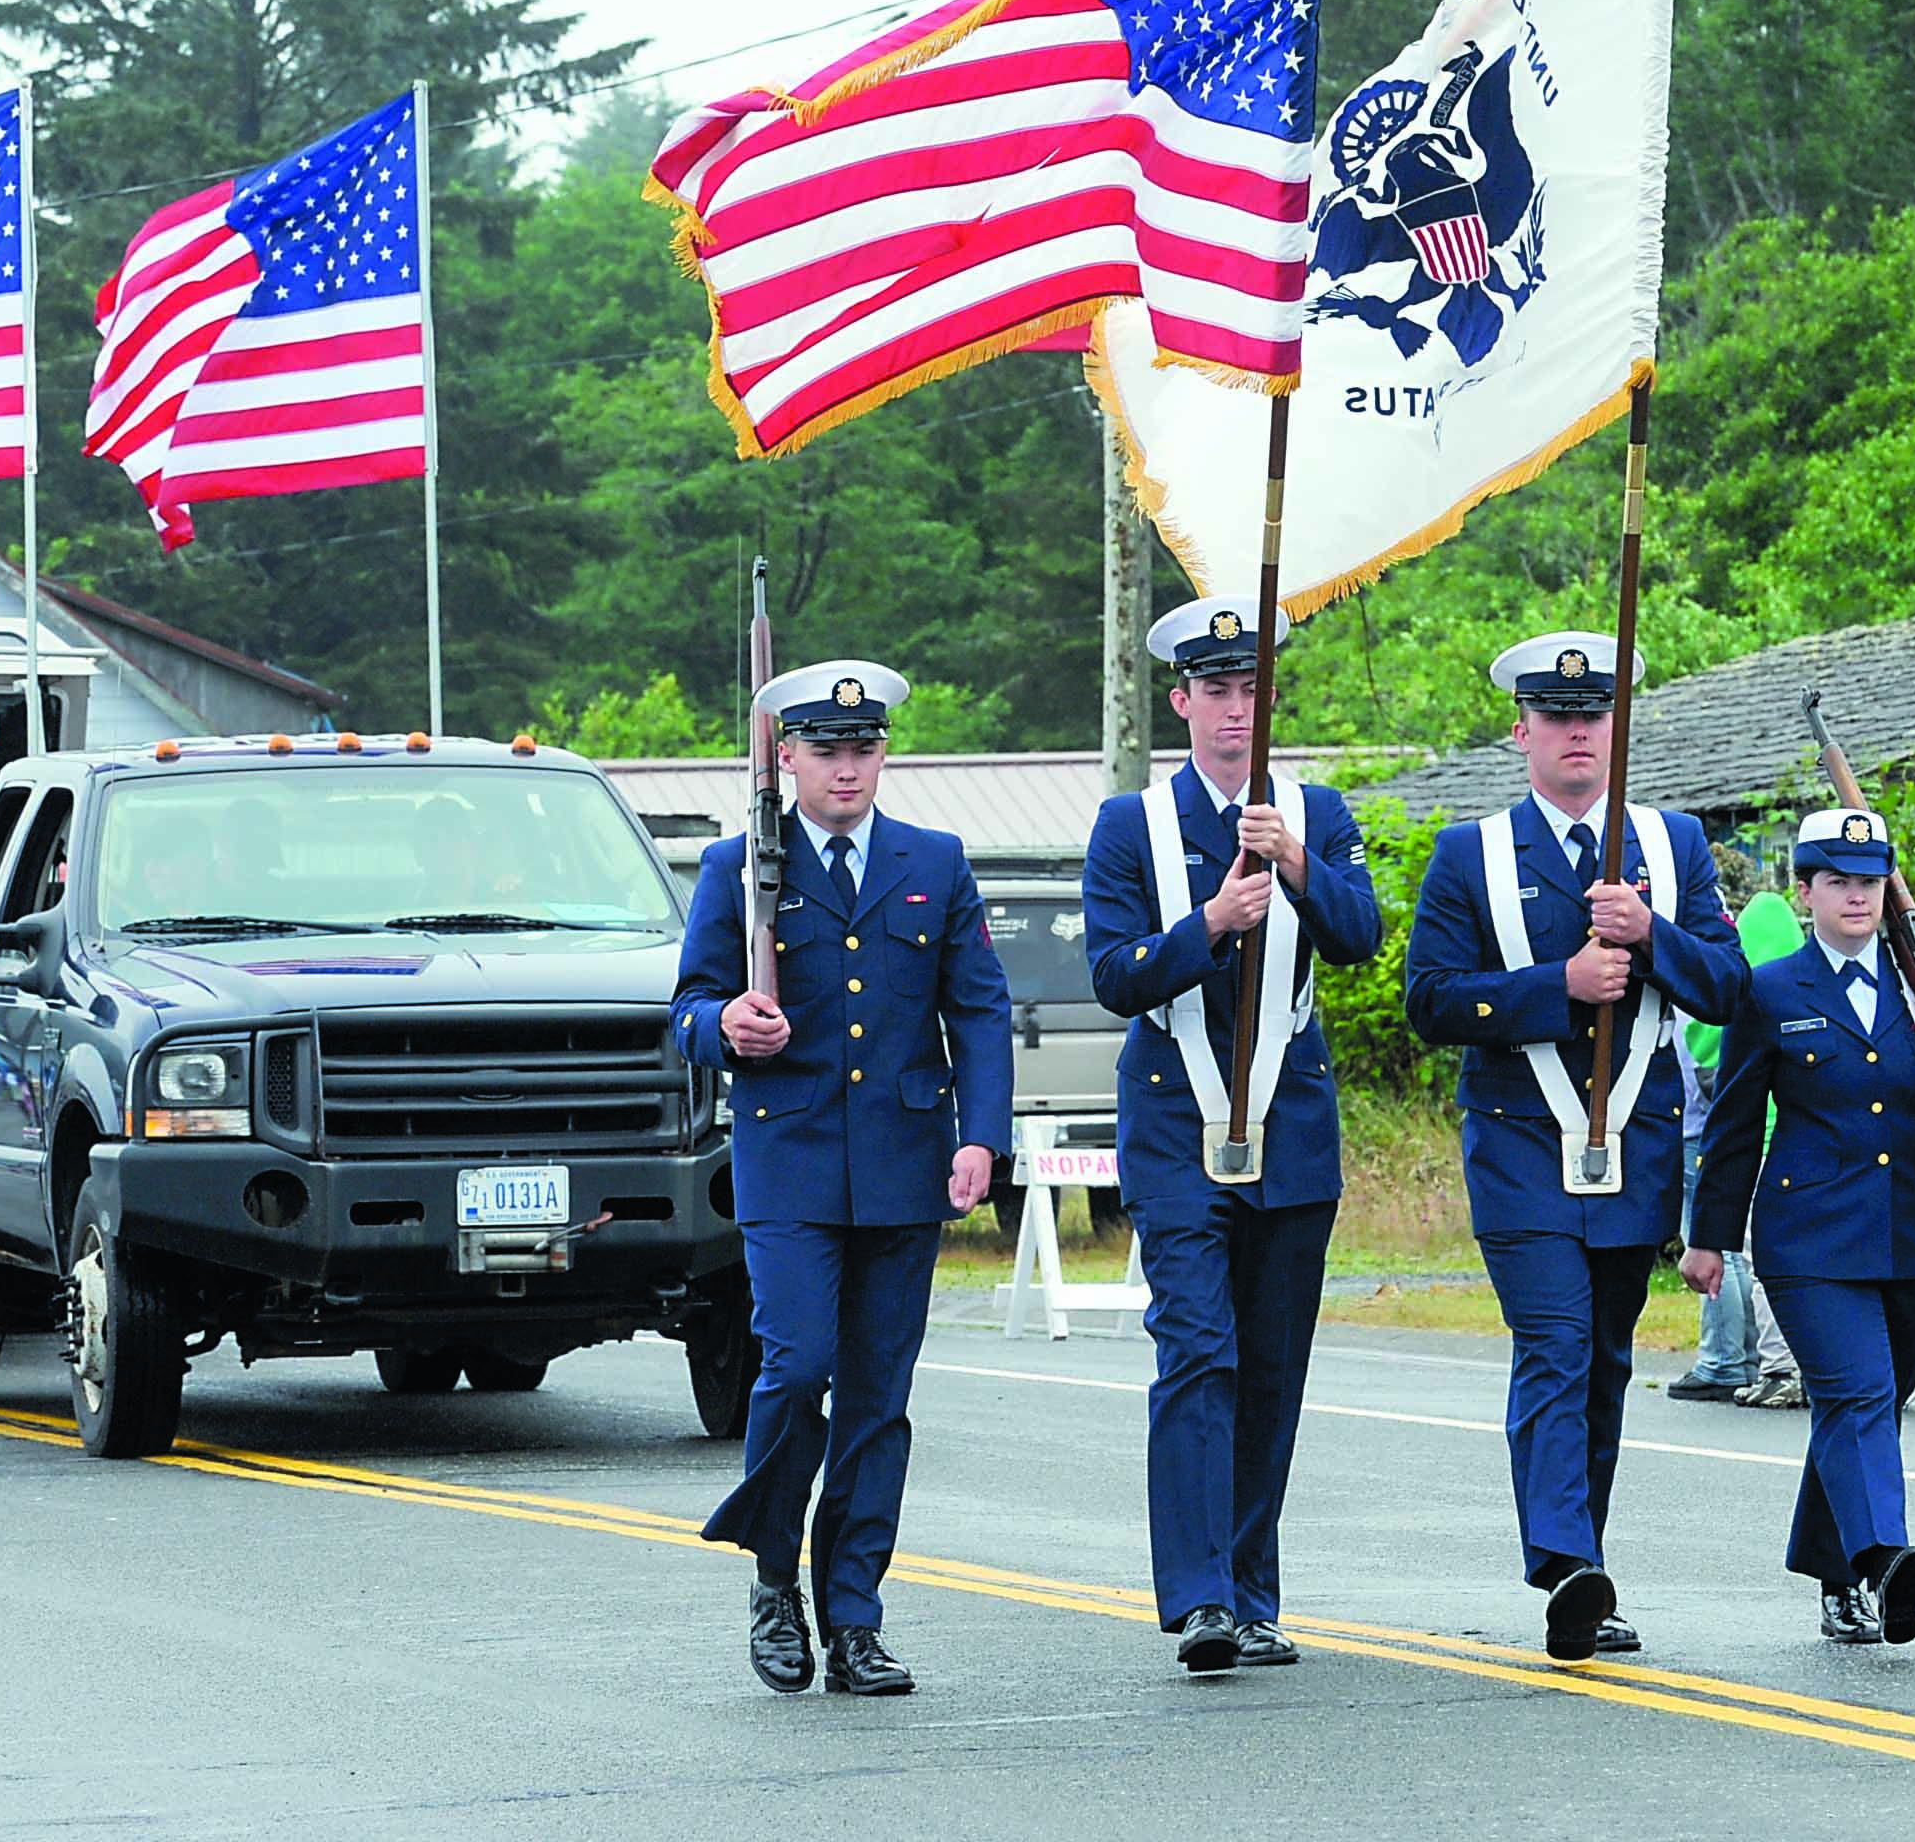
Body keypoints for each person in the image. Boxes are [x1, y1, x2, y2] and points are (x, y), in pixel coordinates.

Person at [1403, 630, 1747, 1662]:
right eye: (1557, 717)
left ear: (1616, 727)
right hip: (1520, 1144)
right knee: (1552, 1344)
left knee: (1603, 1361)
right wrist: (1555, 985)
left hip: (1632, 1148)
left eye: (1593, 716)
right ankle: (1563, 1557)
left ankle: (1583, 1566)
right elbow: (1430, 998)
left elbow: (1729, 989)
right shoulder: (1471, 852)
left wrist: (1651, 937)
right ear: (1523, 732)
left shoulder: (1671, 842)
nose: (1577, 733)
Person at [671, 659, 1011, 1699]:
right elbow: (685, 1011)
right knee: (795, 1363)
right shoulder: (740, 866)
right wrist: (726, 1024)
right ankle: (776, 1577)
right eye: (825, 748)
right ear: (785, 756)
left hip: (905, 1164)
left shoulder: (933, 860)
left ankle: (854, 1615)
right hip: (791, 1158)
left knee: (877, 1398)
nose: (847, 766)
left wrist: (981, 1136)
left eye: (863, 747)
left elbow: (981, 1009)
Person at [1081, 597, 1383, 1675]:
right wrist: (1207, 922)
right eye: (1216, 689)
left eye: (1251, 689)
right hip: (1174, 1122)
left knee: (1270, 1367)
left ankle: (1255, 1589)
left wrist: (1295, 861)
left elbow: (1360, 938)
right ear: (1180, 701)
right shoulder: (1134, 826)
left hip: (1290, 1125)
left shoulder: (1314, 810)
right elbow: (1113, 976)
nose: (1235, 710)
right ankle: (1199, 1594)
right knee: (1198, 1351)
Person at [1684, 808, 1915, 1646]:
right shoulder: (1771, 990)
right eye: (1838, 881)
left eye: (1869, 882)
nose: (1856, 897)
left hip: (1914, 1230)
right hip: (1810, 1237)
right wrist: (1706, 1237)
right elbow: (1731, 1125)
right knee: (1857, 1394)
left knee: (1867, 1406)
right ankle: (1882, 1561)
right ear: (1806, 891)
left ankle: (1833, 1573)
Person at [1670, 886, 1808, 1406]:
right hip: (1804, 1134)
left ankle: (1762, 1365)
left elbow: (1706, 1047)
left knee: (1741, 1253)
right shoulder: (1809, 977)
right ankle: (1792, 1363)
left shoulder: (1739, 983)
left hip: (1746, 1134)